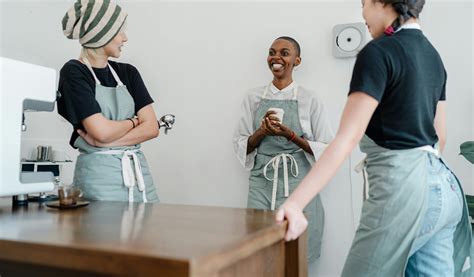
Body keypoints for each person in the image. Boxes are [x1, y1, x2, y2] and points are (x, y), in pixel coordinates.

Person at [276, 1, 472, 276]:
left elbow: (347, 138)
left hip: (402, 188)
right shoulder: (432, 56)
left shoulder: (378, 52)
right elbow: (440, 137)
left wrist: (295, 204)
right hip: (445, 191)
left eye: (364, 3)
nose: (363, 13)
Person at [233, 36, 334, 263]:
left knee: (296, 253)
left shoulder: (310, 99)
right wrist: (262, 132)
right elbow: (240, 142)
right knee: (258, 247)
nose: (276, 57)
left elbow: (327, 149)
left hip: (299, 183)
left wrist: (290, 136)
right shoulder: (253, 98)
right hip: (262, 182)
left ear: (297, 61)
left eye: (284, 53)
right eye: (272, 52)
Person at [57, 0, 160, 203]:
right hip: (99, 180)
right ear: (101, 34)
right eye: (120, 32)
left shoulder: (128, 73)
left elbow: (152, 128)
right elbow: (101, 131)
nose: (125, 38)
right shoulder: (74, 73)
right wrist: (133, 122)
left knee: (148, 233)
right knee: (102, 233)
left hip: (139, 178)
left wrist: (102, 142)